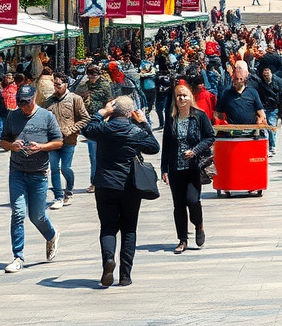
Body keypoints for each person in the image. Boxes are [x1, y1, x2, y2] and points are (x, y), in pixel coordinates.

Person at [82, 96, 160, 287]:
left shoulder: (103, 128)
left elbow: (86, 129)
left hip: (105, 184)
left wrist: (101, 113)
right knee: (129, 228)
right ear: (130, 112)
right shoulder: (135, 130)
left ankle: (109, 260)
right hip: (129, 186)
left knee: (108, 227)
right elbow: (153, 147)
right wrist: (143, 123)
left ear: (113, 111)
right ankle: (125, 275)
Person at [0, 83, 63, 273]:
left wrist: (42, 147)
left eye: (26, 102)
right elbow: (2, 141)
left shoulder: (47, 116)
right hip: (17, 172)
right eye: (20, 103)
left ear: (34, 98)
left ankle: (51, 235)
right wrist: (13, 146)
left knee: (37, 216)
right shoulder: (13, 116)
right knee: (18, 213)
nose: (23, 106)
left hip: (39, 173)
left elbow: (59, 142)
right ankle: (18, 256)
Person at [160, 82, 215, 254]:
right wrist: (164, 169)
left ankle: (199, 225)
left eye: (184, 95)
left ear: (190, 97)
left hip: (193, 168)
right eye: (178, 96)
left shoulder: (199, 116)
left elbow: (210, 137)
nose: (182, 98)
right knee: (178, 205)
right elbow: (166, 144)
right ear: (174, 99)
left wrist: (195, 150)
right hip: (176, 168)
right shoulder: (171, 119)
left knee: (192, 201)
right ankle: (182, 239)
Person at [43, 73, 90, 210]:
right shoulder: (49, 101)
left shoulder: (75, 99)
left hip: (68, 140)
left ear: (66, 84)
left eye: (59, 84)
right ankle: (58, 196)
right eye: (55, 85)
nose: (56, 88)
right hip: (53, 140)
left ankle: (69, 189)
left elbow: (85, 118)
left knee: (65, 167)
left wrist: (72, 129)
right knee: (54, 168)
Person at [75, 64, 115, 193]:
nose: (91, 77)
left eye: (93, 74)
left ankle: (105, 180)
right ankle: (94, 182)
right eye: (89, 74)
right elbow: (76, 96)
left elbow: (109, 102)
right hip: (89, 122)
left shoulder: (104, 85)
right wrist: (83, 95)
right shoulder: (84, 85)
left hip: (102, 122)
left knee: (103, 153)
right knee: (93, 154)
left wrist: (106, 116)